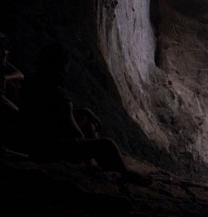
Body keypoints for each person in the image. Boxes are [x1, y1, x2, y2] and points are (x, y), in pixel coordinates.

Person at [19, 43, 148, 183]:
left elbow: (49, 113)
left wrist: (83, 113)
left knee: (85, 119)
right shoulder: (60, 95)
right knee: (107, 144)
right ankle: (125, 173)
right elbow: (74, 132)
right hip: (52, 150)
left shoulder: (30, 83)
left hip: (31, 141)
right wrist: (86, 141)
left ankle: (92, 165)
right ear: (61, 66)